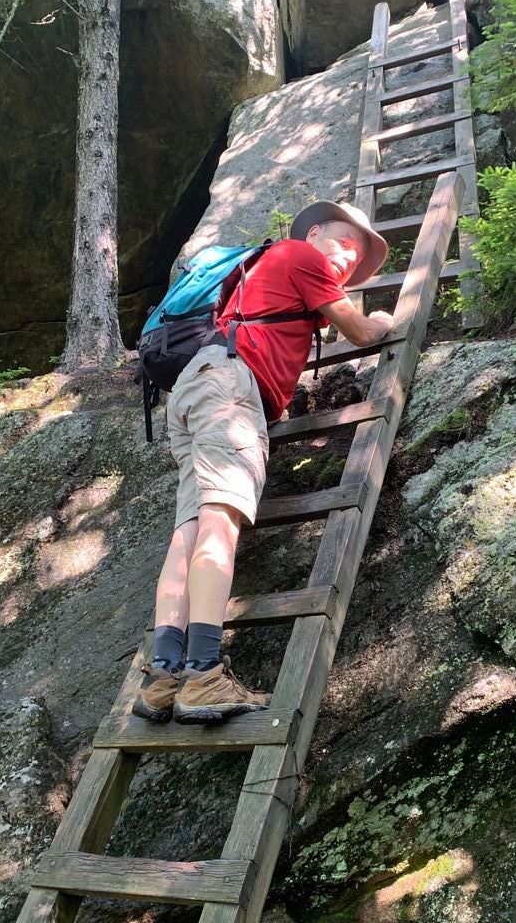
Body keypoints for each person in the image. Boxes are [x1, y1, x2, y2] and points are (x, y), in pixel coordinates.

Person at [134, 200, 394, 724]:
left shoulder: (263, 269)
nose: (349, 257)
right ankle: (203, 674)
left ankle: (163, 678)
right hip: (230, 390)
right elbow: (360, 332)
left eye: (358, 255)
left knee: (189, 530)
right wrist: (383, 320)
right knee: (220, 522)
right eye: (344, 241)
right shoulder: (302, 256)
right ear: (314, 233)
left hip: (197, 387)